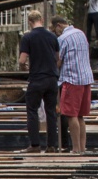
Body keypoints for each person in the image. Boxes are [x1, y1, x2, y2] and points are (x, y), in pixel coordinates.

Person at [18, 9, 60, 153]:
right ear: (41, 20)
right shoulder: (52, 36)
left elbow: (22, 60)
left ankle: (35, 145)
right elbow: (57, 58)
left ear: (30, 22)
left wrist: (24, 67)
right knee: (51, 112)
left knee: (32, 111)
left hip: (37, 78)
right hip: (52, 78)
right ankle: (52, 146)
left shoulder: (27, 37)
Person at [53, 15, 93, 153]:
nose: (55, 33)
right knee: (80, 115)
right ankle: (82, 148)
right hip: (86, 78)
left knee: (71, 115)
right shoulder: (81, 33)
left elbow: (58, 61)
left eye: (55, 29)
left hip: (72, 79)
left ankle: (75, 149)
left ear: (58, 26)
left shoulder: (62, 38)